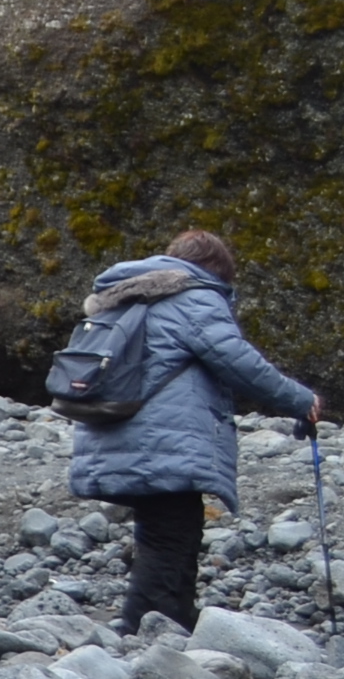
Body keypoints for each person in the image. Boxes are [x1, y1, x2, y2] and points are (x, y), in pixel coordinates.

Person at [66, 228, 323, 635]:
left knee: (172, 523)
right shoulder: (194, 295)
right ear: (215, 271)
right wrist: (299, 399)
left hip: (115, 429)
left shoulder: (124, 295)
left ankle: (177, 618)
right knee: (170, 532)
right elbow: (237, 360)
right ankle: (143, 626)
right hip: (162, 438)